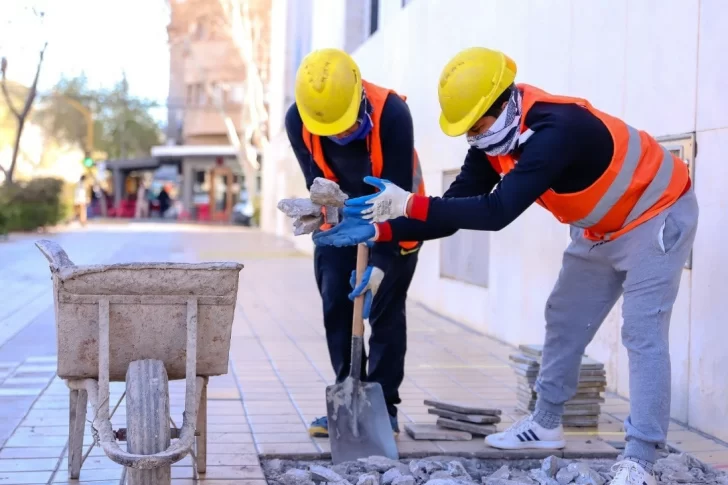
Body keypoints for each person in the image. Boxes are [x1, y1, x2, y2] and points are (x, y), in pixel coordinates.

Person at [314, 47, 698, 485]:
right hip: (599, 229)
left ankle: (641, 458)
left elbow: (496, 212)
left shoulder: (557, 128)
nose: (473, 137)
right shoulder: (493, 140)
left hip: (657, 213)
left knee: (641, 332)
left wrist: (407, 201)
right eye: (467, 131)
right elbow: (454, 209)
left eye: (475, 126)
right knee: (564, 318)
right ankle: (546, 424)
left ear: (501, 103)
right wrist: (384, 232)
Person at [285, 48, 426, 438]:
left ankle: (384, 405)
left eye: (348, 125)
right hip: (340, 221)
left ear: (359, 95)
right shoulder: (298, 119)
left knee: (384, 308)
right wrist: (327, 221)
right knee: (335, 300)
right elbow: (319, 185)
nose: (344, 136)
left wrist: (380, 261)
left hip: (399, 217)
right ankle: (349, 394)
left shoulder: (393, 113)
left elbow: (396, 195)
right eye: (335, 131)